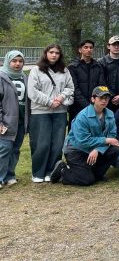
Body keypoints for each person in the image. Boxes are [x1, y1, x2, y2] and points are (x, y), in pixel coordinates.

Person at [49, 86, 119, 186]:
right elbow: (83, 140)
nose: (104, 101)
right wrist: (105, 140)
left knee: (115, 150)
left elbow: (112, 135)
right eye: (101, 98)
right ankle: (63, 171)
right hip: (76, 150)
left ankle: (96, 174)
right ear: (93, 99)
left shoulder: (110, 114)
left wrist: (97, 149)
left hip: (94, 148)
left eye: (106, 98)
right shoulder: (82, 116)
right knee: (87, 180)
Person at [27, 44, 74, 183]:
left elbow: (70, 88)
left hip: (60, 111)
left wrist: (61, 98)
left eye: (57, 53)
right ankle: (38, 173)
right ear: (46, 53)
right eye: (51, 52)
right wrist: (49, 102)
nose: (54, 55)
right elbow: (32, 91)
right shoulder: (36, 70)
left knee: (57, 144)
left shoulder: (64, 70)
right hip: (40, 112)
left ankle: (51, 171)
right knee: (41, 143)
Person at [0, 51, 28, 187]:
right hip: (6, 121)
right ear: (8, 61)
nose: (17, 64)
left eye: (20, 61)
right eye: (14, 61)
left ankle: (10, 175)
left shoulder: (24, 77)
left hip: (21, 121)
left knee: (15, 150)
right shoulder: (1, 77)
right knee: (4, 149)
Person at [68, 39, 106, 125]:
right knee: (76, 129)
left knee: (93, 129)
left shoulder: (98, 66)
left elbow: (101, 86)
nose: (89, 49)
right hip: (77, 107)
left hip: (95, 105)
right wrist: (86, 105)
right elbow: (74, 88)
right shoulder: (73, 67)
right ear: (80, 50)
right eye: (86, 47)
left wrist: (95, 103)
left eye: (91, 48)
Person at [98, 36, 119, 112]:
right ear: (108, 46)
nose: (116, 47)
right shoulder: (101, 62)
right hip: (105, 99)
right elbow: (101, 81)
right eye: (114, 44)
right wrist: (111, 96)